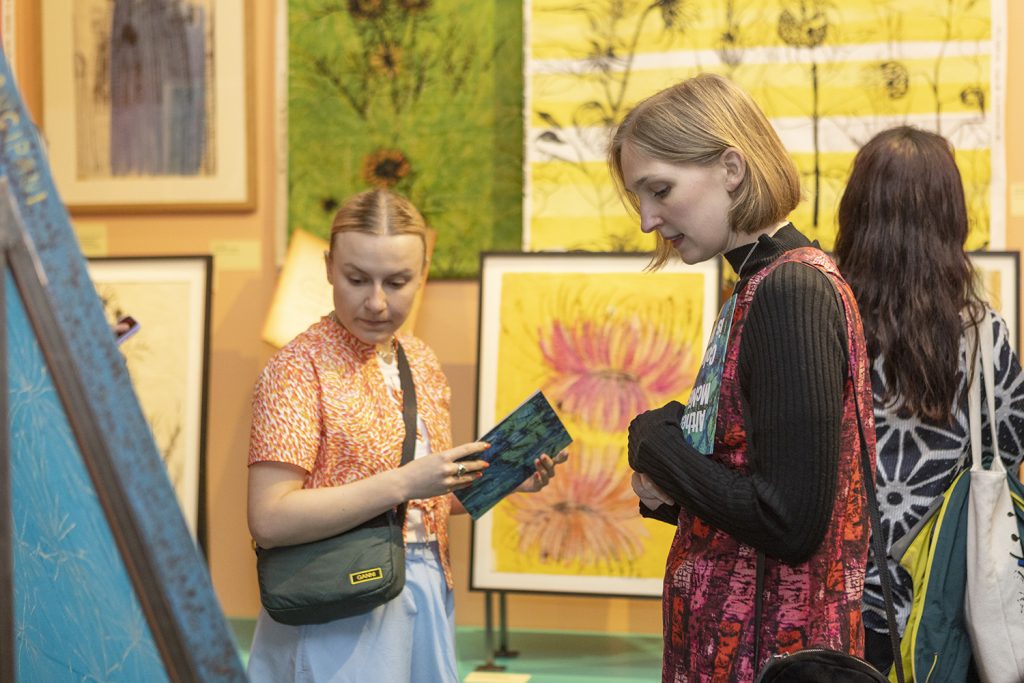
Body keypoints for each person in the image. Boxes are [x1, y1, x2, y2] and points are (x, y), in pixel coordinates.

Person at [611, 73, 874, 679]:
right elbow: (760, 496)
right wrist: (672, 492)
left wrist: (658, 445)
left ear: (731, 168)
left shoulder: (789, 291)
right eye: (638, 198)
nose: (648, 219)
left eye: (660, 189)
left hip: (766, 656)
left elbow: (790, 523)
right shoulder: (759, 286)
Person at [245, 188, 567, 683]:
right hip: (337, 599)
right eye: (357, 279)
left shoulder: (421, 361)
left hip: (425, 587)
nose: (376, 302)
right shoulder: (296, 369)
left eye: (397, 282)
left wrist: (506, 478)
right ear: (329, 267)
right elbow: (269, 518)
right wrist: (403, 482)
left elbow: (424, 501)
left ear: (424, 273)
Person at [833, 125, 1024, 672]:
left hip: (835, 603)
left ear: (856, 212)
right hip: (941, 612)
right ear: (951, 218)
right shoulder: (982, 334)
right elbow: (1004, 457)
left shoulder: (822, 318)